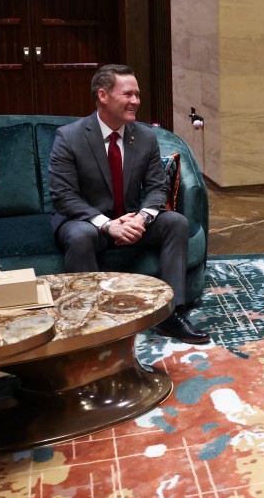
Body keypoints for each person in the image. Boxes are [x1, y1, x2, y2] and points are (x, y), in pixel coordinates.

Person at [49, 64, 210, 344]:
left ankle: (170, 314)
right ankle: (90, 320)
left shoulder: (145, 136)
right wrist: (107, 225)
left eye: (137, 94)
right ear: (103, 95)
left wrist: (142, 218)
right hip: (87, 222)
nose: (136, 101)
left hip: (131, 219)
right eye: (128, 94)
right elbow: (63, 194)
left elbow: (157, 186)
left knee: (175, 222)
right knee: (80, 235)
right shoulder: (70, 137)